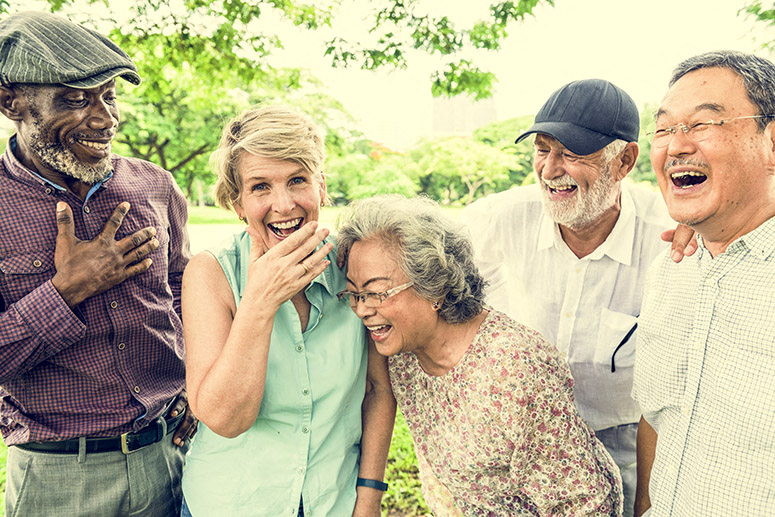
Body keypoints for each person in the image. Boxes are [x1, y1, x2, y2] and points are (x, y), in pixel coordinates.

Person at [0, 11, 196, 516]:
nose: (105, 118)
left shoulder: (155, 186)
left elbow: (188, 300)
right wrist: (66, 292)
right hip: (59, 476)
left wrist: (196, 390)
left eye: (109, 96)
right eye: (75, 98)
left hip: (173, 455)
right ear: (11, 103)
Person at [460, 78, 675, 516]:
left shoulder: (668, 236)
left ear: (625, 161)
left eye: (572, 153)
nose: (551, 169)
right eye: (543, 149)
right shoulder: (497, 219)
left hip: (623, 443)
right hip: (515, 441)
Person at [337, 193, 623, 516]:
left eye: (376, 293)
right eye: (354, 294)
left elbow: (587, 503)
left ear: (433, 288)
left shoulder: (512, 368)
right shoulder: (402, 355)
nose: (361, 309)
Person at [180, 105, 396, 516]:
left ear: (320, 188)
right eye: (260, 187)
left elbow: (377, 391)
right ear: (237, 202)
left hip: (333, 502)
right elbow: (225, 420)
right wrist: (260, 301)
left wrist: (368, 499)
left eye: (297, 180)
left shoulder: (353, 266)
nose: (283, 205)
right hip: (231, 503)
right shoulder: (211, 273)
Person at [632, 50, 775, 517]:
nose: (676, 145)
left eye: (702, 124)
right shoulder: (671, 268)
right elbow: (657, 417)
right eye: (664, 129)